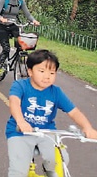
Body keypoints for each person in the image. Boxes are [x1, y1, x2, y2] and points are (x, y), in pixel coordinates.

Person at [6, 49, 97, 177]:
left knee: (61, 160)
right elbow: (14, 102)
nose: (47, 76)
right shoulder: (20, 86)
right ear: (30, 71)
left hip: (47, 133)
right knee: (18, 171)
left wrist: (87, 127)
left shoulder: (56, 92)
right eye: (42, 71)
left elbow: (74, 112)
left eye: (52, 72)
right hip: (20, 132)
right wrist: (21, 121)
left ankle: (47, 168)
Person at [0, 0, 40, 68]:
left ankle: (19, 57)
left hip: (13, 25)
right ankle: (0, 65)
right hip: (1, 26)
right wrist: (1, 18)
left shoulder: (20, 1)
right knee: (6, 48)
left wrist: (34, 20)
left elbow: (28, 14)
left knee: (22, 43)